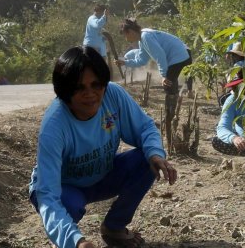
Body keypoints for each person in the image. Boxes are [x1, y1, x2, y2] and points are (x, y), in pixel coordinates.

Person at [29, 46, 176, 248]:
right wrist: (77, 242)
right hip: (67, 187)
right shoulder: (54, 127)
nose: (90, 94)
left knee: (147, 159)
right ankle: (66, 239)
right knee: (67, 205)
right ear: (64, 90)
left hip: (103, 175)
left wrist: (155, 153)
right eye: (79, 87)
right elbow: (48, 194)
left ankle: (114, 227)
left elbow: (145, 128)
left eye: (96, 85)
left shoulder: (113, 95)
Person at [115, 19, 193, 97]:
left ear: (130, 31)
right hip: (182, 53)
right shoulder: (142, 40)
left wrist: (164, 75)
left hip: (178, 55)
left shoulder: (146, 37)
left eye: (125, 36)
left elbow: (160, 55)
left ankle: (171, 108)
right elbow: (141, 60)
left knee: (167, 84)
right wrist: (125, 62)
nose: (126, 39)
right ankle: (174, 102)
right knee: (171, 83)